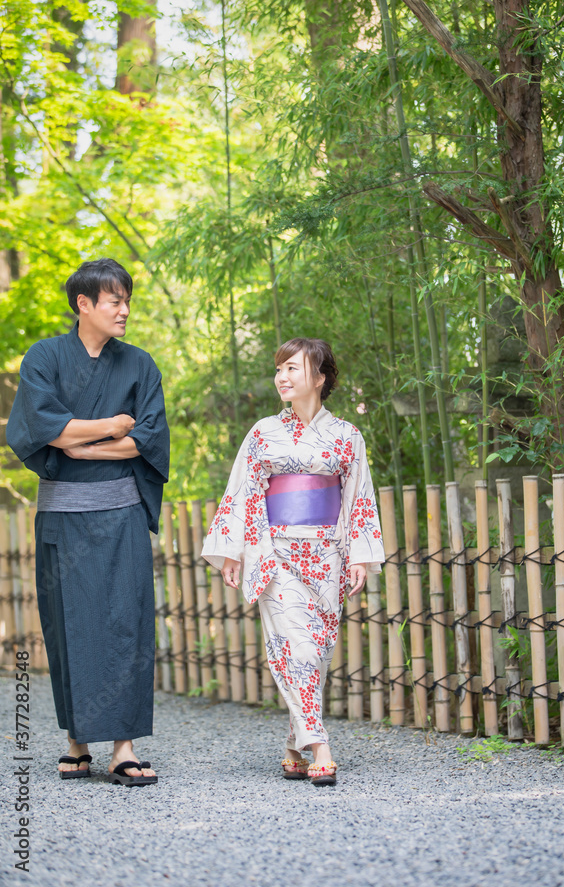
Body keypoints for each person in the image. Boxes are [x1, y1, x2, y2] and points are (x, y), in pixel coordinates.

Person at [7, 258, 169, 787]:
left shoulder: (139, 364)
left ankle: (124, 747)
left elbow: (147, 440)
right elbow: (43, 430)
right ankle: (77, 740)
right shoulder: (44, 357)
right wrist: (111, 426)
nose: (125, 310)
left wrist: (83, 443)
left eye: (127, 301)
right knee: (67, 625)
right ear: (84, 304)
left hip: (121, 514)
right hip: (63, 516)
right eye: (115, 301)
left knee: (127, 622)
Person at [202, 337, 384, 786]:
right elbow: (241, 492)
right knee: (295, 647)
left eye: (292, 369)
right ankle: (320, 746)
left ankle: (292, 743)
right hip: (277, 552)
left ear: (319, 378)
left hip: (327, 554)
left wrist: (359, 556)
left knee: (316, 652)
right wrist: (232, 551)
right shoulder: (263, 433)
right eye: (279, 369)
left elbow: (359, 496)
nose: (282, 377)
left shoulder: (347, 435)